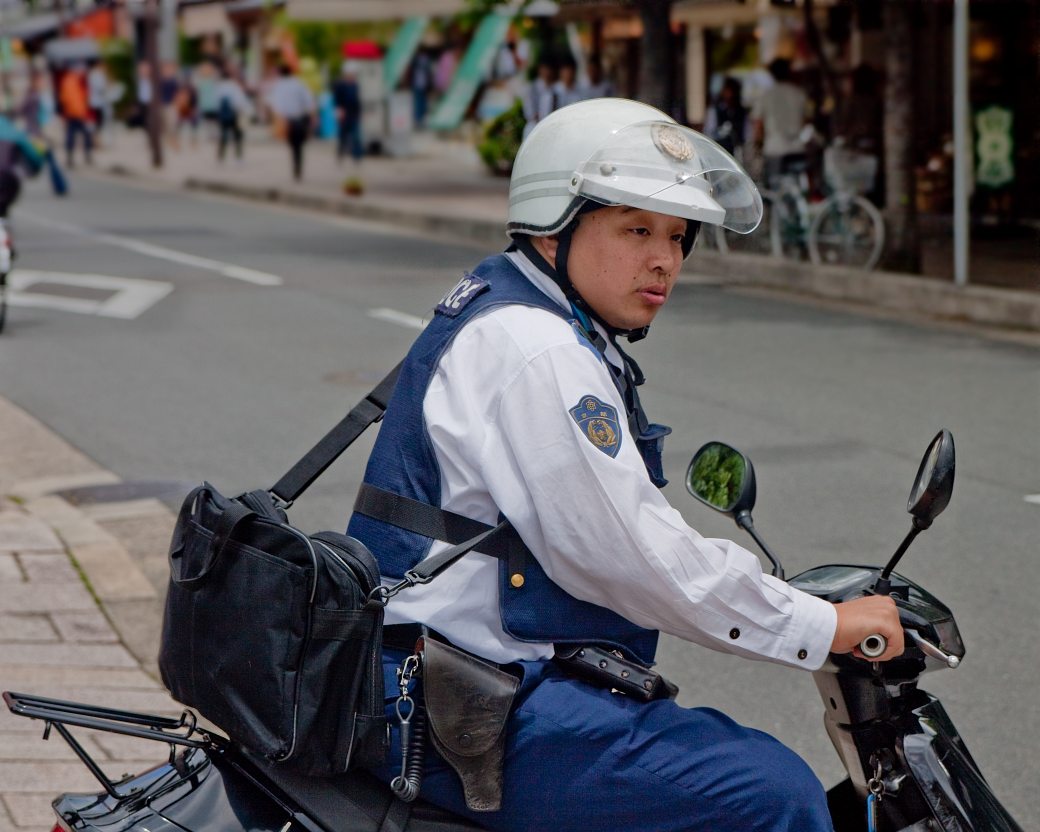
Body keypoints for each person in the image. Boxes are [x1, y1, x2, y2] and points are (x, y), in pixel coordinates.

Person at [348, 98, 904, 831]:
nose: (664, 259)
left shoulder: (517, 309)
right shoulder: (538, 348)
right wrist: (818, 624)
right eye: (636, 228)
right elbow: (631, 554)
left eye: (678, 235)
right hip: (456, 705)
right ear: (555, 229)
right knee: (771, 793)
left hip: (455, 682)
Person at [751, 57, 809, 188]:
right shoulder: (799, 94)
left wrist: (757, 144)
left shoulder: (766, 95)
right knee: (797, 189)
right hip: (797, 148)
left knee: (776, 190)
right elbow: (806, 121)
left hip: (774, 148)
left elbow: (758, 125)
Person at [266, 63, 315, 181]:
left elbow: (273, 104)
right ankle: (298, 167)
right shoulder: (299, 84)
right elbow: (309, 102)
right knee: (298, 146)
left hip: (286, 120)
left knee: (293, 146)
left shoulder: (278, 86)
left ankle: (296, 167)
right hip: (299, 118)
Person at [0, 113, 44, 218]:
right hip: (10, 178)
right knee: (3, 208)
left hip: (7, 177)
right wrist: (35, 169)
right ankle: (4, 225)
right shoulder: (15, 134)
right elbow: (34, 156)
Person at [704, 76, 748, 158]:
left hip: (737, 154)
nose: (729, 94)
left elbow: (746, 135)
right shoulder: (715, 110)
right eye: (727, 90)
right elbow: (708, 133)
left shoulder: (741, 112)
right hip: (719, 153)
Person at [58, 64, 92, 168]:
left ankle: (79, 156)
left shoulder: (76, 81)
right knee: (77, 135)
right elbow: (69, 99)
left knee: (75, 135)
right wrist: (80, 112)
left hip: (76, 113)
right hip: (75, 114)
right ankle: (74, 157)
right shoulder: (71, 82)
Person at [215, 67, 249, 163]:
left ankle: (221, 157)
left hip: (223, 115)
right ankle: (238, 157)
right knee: (237, 136)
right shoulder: (234, 86)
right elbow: (239, 102)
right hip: (234, 114)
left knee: (223, 135)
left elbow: (216, 103)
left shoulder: (219, 87)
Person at [331, 61, 363, 164]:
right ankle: (340, 155)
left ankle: (357, 157)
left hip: (353, 114)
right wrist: (339, 110)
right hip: (343, 114)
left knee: (356, 137)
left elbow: (357, 101)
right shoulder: (340, 85)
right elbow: (336, 100)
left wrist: (359, 113)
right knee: (342, 137)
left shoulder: (355, 85)